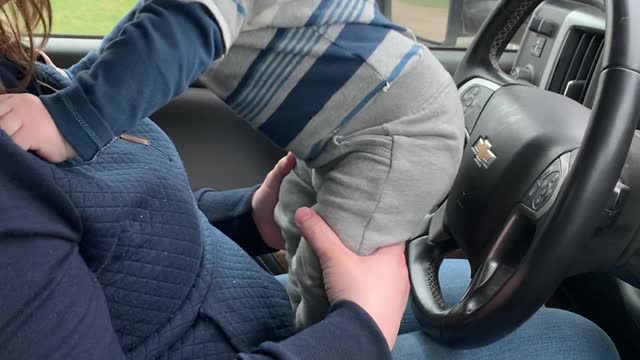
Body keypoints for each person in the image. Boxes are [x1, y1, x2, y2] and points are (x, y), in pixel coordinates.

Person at [0, 1, 621, 359]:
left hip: (249, 299)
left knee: (508, 300)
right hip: (286, 339)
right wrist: (358, 329)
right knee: (576, 342)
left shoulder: (12, 65)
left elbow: (100, 220)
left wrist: (249, 217)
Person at [0, 0, 465, 328]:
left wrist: (68, 114)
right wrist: (360, 327)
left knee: (326, 267)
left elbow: (177, 30)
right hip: (365, 134)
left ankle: (314, 324)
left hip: (391, 133)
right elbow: (153, 29)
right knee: (323, 276)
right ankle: (317, 330)